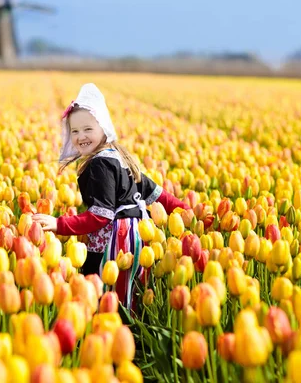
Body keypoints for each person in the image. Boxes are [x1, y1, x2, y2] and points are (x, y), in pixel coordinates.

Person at [33, 83, 190, 309]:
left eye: (88, 129)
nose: (80, 136)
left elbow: (101, 216)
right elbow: (156, 194)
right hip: (137, 237)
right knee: (129, 291)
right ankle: (129, 329)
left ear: (103, 128)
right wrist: (185, 210)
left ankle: (109, 327)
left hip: (116, 239)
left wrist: (60, 224)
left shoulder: (100, 165)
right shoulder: (119, 157)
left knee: (102, 288)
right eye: (75, 131)